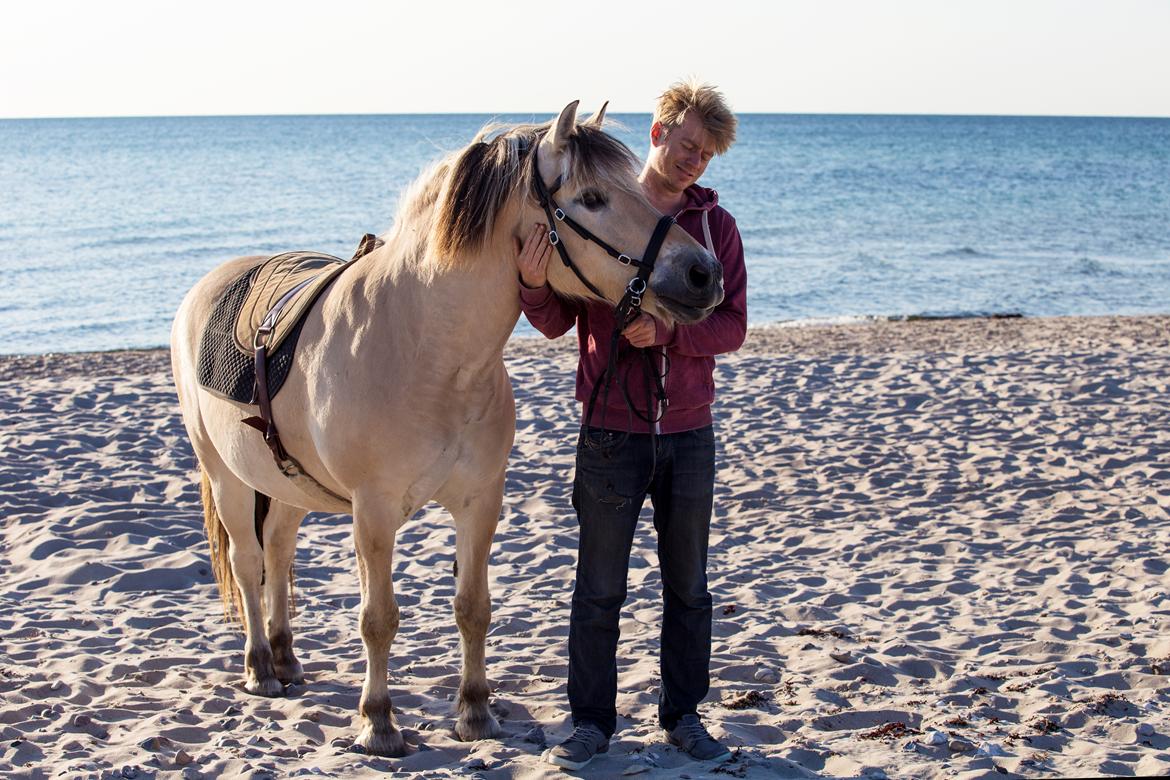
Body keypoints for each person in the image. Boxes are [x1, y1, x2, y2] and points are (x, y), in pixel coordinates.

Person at [516, 79, 747, 770]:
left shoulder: (714, 229)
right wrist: (532, 284)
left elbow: (731, 327)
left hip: (688, 432)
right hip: (610, 432)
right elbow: (560, 322)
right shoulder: (605, 208)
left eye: (705, 154)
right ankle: (590, 723)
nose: (693, 161)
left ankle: (683, 716)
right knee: (598, 588)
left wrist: (668, 337)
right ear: (657, 134)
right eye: (685, 145)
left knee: (689, 587)